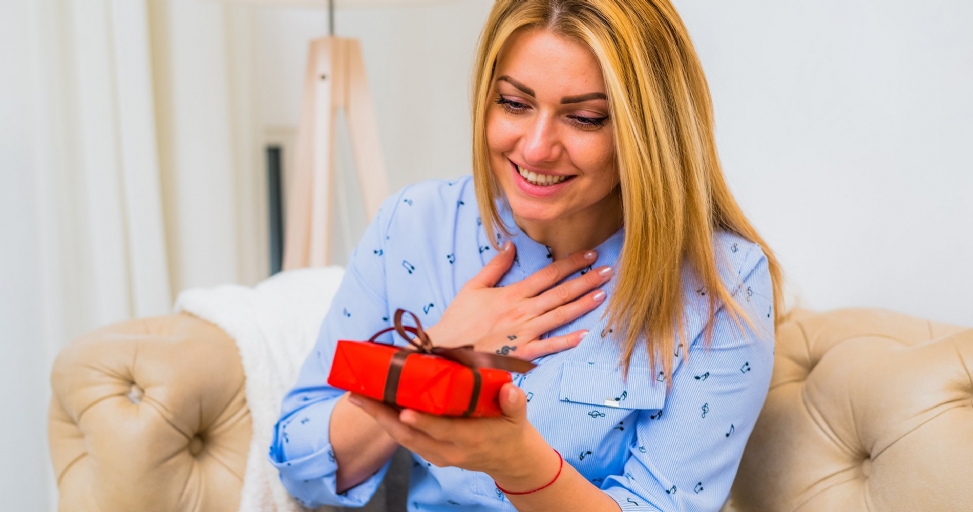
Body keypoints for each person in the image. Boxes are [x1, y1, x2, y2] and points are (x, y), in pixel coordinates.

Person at [269, 0, 784, 509]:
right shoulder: (413, 223)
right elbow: (299, 459)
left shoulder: (723, 284)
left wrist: (521, 465)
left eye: (584, 118)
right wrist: (433, 355)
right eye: (514, 104)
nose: (536, 148)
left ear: (650, 131)